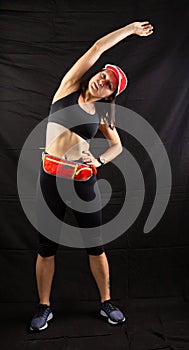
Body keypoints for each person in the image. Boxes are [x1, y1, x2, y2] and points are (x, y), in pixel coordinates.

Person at [30, 20, 153, 331]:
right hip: (50, 180)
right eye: (103, 74)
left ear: (111, 94)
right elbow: (98, 47)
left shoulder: (101, 115)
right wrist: (129, 30)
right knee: (46, 249)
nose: (103, 80)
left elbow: (117, 147)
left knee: (95, 246)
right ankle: (44, 307)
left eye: (110, 83)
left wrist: (97, 162)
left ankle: (106, 302)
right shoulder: (68, 87)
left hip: (82, 183)